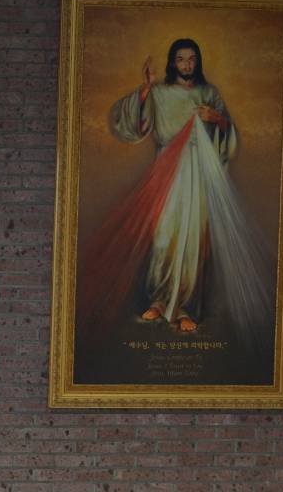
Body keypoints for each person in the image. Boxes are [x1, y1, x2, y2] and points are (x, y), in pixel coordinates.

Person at [76, 38, 272, 341]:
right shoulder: (160, 93)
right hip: (167, 171)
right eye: (181, 59)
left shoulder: (209, 93)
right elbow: (132, 124)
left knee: (193, 240)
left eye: (191, 59)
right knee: (164, 236)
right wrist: (145, 90)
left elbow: (228, 138)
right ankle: (159, 299)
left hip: (200, 173)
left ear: (197, 61)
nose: (186, 65)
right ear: (172, 62)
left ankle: (185, 309)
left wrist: (217, 119)